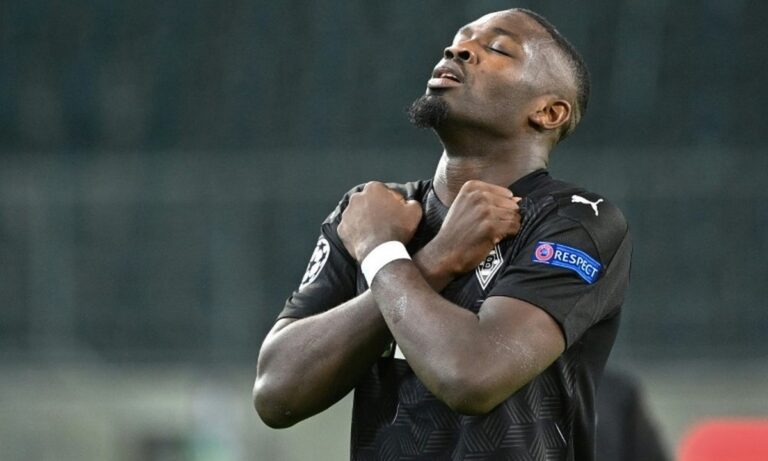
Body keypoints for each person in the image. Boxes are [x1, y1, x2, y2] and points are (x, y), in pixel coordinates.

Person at [254, 8, 632, 461]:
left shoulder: (576, 221)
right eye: (458, 40)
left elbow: (472, 377)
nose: (458, 50)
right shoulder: (371, 212)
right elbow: (276, 393)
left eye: (497, 48)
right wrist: (429, 261)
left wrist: (380, 254)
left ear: (548, 112)